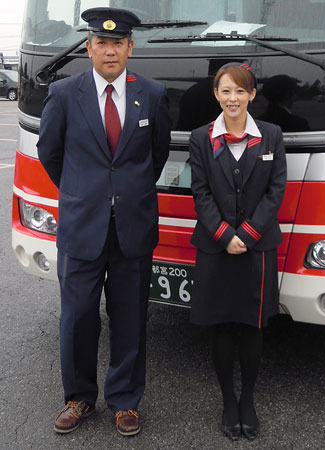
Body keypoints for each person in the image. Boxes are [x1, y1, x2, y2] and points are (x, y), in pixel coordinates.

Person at [37, 7, 171, 436]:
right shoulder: (63, 94)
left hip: (132, 225)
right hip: (82, 225)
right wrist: (82, 193)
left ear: (130, 47)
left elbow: (158, 154)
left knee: (130, 316)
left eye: (118, 43)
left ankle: (125, 400)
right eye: (101, 42)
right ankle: (78, 398)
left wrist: (124, 193)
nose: (109, 50)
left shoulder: (151, 94)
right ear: (89, 48)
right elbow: (50, 154)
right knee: (77, 317)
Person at [189, 63, 286, 441]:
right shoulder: (201, 138)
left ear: (252, 95)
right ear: (216, 94)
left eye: (240, 91)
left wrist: (245, 233)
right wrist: (224, 234)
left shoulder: (272, 136)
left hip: (257, 246)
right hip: (216, 246)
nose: (232, 98)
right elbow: (201, 192)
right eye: (225, 91)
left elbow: (275, 190)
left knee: (252, 326)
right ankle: (228, 400)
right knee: (222, 326)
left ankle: (248, 400)